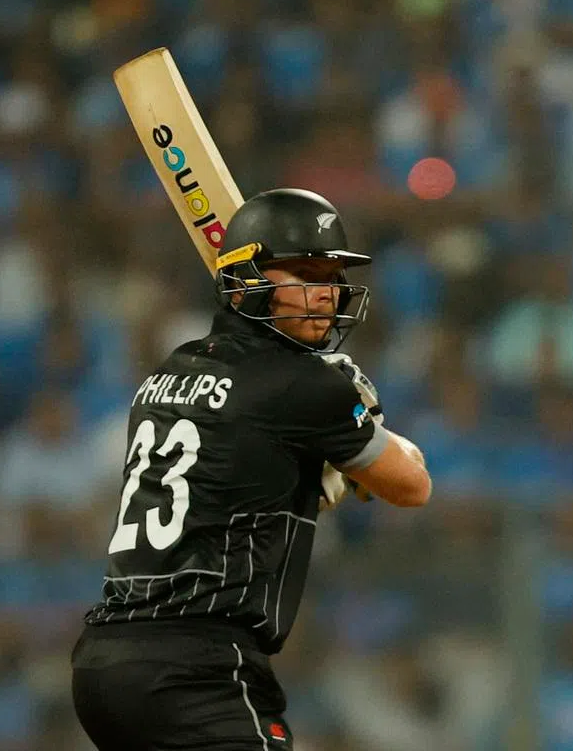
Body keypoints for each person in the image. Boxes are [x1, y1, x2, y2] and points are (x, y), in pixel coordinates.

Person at [71, 188, 432, 750]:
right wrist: (370, 420)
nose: (325, 293)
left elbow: (235, 492)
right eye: (304, 274)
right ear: (245, 281)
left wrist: (318, 478)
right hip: (198, 667)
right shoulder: (307, 386)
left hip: (104, 663)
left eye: (332, 276)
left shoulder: (167, 373)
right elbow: (412, 486)